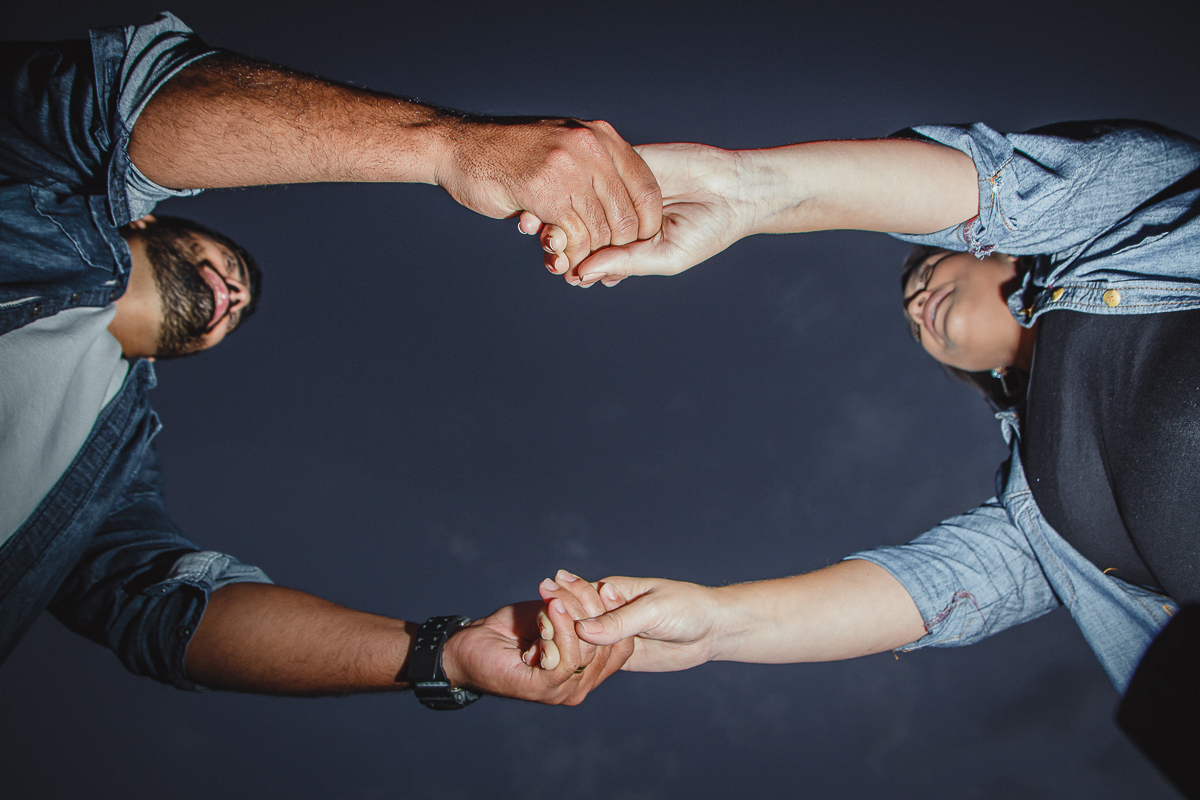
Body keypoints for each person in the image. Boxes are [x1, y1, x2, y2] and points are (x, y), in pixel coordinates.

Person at [0, 12, 660, 706]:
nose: (232, 293)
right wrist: (450, 148)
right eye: (223, 261)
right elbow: (123, 106)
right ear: (147, 216)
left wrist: (448, 656)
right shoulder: (36, 191)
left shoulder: (105, 467)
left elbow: (170, 614)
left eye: (236, 307)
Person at [530, 120, 1200, 704]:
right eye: (914, 317)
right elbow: (932, 588)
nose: (917, 304)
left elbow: (1000, 186)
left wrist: (743, 190)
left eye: (928, 272)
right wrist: (714, 625)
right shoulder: (1043, 511)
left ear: (990, 246)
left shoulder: (1144, 227)